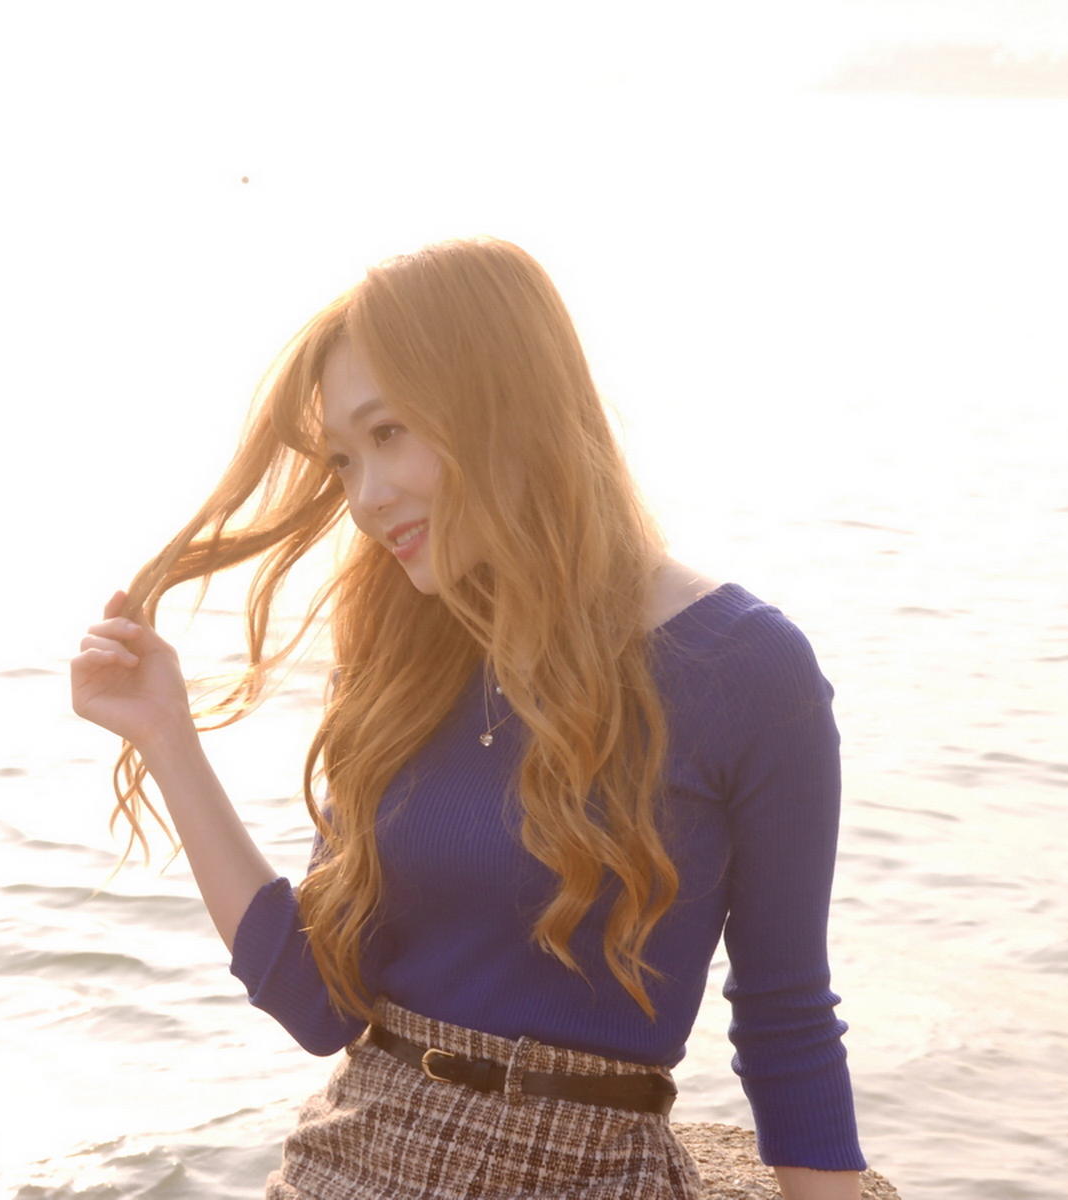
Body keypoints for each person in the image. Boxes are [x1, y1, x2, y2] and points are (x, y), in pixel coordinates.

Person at [70, 237, 867, 1199]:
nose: (366, 498)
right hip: (350, 1162)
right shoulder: (403, 656)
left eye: (390, 433)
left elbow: (786, 1017)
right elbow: (318, 1002)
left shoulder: (744, 668)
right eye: (343, 459)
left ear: (504, 401)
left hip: (589, 1174)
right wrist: (166, 737)